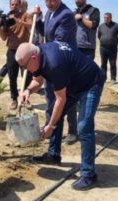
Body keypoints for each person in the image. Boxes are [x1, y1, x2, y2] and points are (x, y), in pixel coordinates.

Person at [16, 42, 105, 190]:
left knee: (84, 127)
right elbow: (38, 80)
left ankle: (89, 175)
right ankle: (53, 155)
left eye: (24, 66)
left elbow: (60, 99)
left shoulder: (53, 63)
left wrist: (50, 126)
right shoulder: (38, 56)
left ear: (33, 58)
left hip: (90, 83)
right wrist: (28, 91)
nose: (24, 69)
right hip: (73, 82)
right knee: (54, 114)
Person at [35, 0, 79, 144]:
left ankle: (72, 131)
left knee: (66, 98)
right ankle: (50, 126)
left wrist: (42, 51)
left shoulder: (66, 15)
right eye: (47, 0)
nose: (50, 3)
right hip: (51, 60)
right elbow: (45, 33)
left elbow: (59, 42)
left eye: (53, 0)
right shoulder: (49, 13)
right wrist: (38, 19)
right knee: (50, 96)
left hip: (64, 62)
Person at [0, 0, 31, 110]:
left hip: (24, 50)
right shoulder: (6, 18)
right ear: (9, 5)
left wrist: (17, 20)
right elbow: (3, 38)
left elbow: (31, 25)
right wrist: (1, 27)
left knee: (27, 76)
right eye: (12, 4)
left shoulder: (25, 15)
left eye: (16, 4)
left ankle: (25, 98)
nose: (14, 6)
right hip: (11, 50)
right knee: (12, 76)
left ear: (20, 5)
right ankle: (14, 99)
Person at [97, 12, 118, 84]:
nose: (105, 19)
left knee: (113, 64)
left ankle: (113, 79)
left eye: (107, 18)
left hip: (112, 48)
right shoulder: (101, 26)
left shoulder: (116, 26)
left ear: (111, 18)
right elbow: (99, 36)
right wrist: (104, 40)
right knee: (103, 64)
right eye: (104, 18)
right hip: (103, 48)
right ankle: (103, 78)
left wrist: (115, 42)